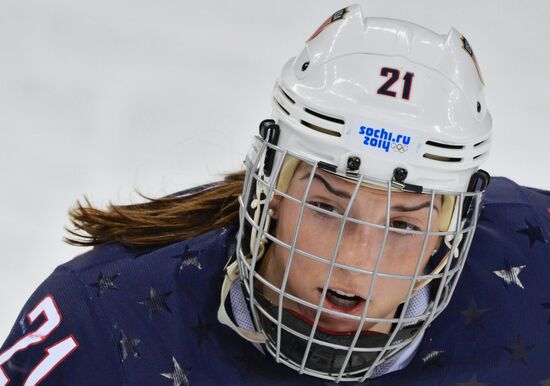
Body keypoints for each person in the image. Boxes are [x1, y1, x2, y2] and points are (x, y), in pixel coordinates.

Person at [1, 4, 549, 385]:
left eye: (403, 225)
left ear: (451, 234)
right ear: (271, 191)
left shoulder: (534, 272)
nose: (351, 268)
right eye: (326, 206)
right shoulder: (104, 323)